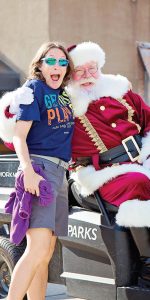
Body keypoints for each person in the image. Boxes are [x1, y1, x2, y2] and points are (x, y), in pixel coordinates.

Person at [66, 41, 150, 286]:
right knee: (138, 182)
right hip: (102, 174)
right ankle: (147, 265)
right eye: (79, 71)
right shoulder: (65, 107)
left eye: (91, 68)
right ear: (70, 74)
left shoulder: (121, 91)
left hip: (142, 159)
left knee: (140, 178)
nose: (87, 76)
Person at [1, 41, 74, 300]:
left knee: (45, 254)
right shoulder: (34, 89)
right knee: (36, 249)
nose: (57, 66)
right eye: (51, 61)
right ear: (40, 65)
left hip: (61, 174)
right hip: (40, 169)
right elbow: (20, 137)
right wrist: (28, 171)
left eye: (62, 62)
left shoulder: (65, 96)